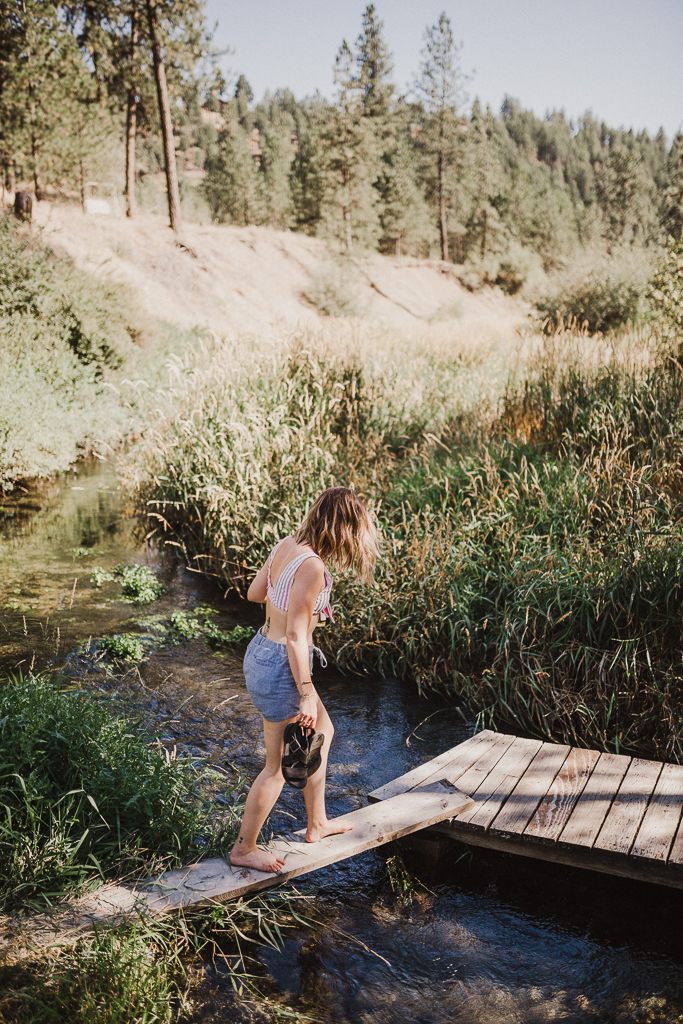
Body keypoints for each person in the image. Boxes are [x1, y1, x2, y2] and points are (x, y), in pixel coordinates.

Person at [229, 487, 379, 873]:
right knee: (276, 766)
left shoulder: (287, 545)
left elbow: (254, 592)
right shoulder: (312, 567)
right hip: (282, 663)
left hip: (261, 649)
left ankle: (317, 823)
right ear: (342, 528)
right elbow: (296, 636)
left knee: (322, 733)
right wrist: (307, 691)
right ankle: (244, 849)